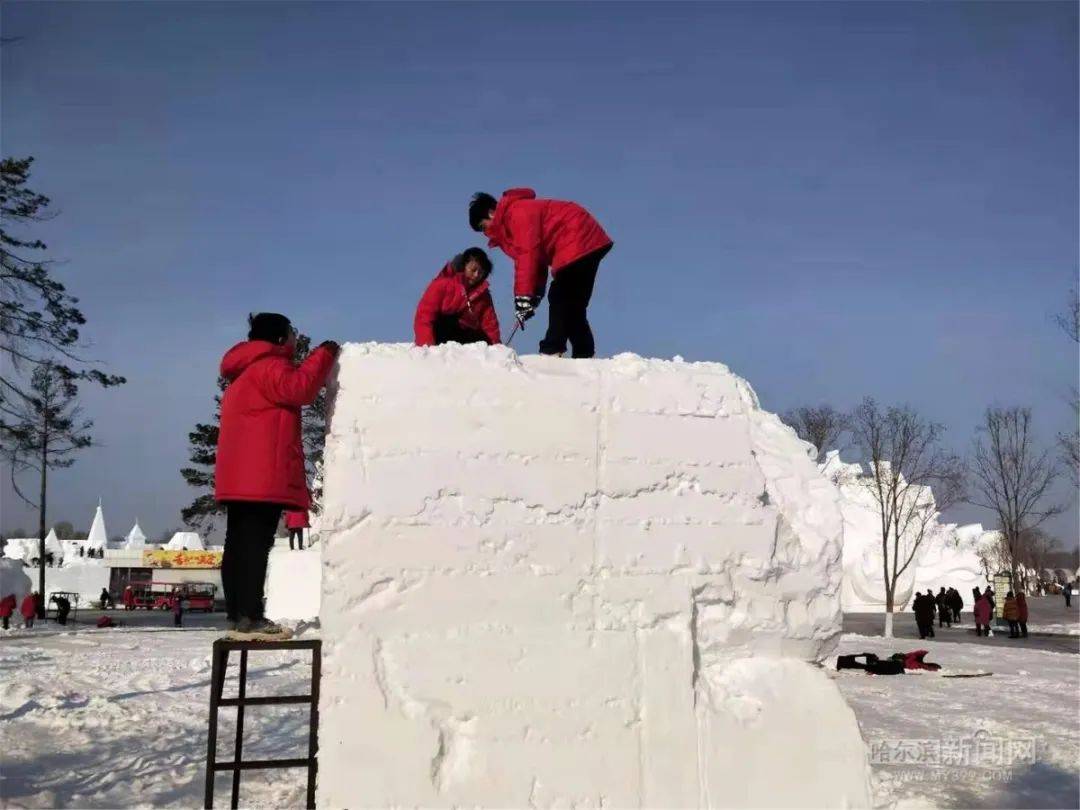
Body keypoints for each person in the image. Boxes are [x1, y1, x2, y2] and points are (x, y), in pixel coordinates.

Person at [215, 312, 338, 641]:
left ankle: (238, 615)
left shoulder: (243, 371)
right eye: (292, 332)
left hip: (238, 477)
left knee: (238, 543)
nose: (296, 338)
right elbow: (299, 389)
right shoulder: (270, 365)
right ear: (280, 338)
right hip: (261, 477)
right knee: (256, 544)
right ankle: (252, 618)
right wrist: (324, 355)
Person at [470, 189, 613, 358]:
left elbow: (527, 256)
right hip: (584, 239)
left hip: (576, 237)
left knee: (560, 296)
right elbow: (537, 261)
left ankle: (552, 349)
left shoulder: (517, 213)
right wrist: (534, 295)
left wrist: (523, 297)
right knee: (573, 305)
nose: (485, 232)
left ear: (491, 213)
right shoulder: (512, 219)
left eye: (482, 226)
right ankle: (584, 354)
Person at [414, 248, 501, 347]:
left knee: (484, 341)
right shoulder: (442, 284)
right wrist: (427, 347)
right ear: (464, 266)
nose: (476, 275)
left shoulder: (483, 295)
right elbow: (424, 316)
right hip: (441, 334)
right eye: (473, 270)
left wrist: (497, 349)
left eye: (480, 272)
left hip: (465, 336)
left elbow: (490, 325)